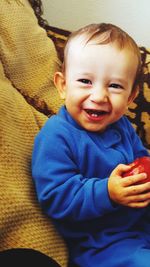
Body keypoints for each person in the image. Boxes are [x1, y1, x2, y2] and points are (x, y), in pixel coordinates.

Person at [32, 23, 150, 267]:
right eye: (85, 81)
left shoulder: (123, 127)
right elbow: (55, 197)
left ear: (131, 96)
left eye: (115, 86)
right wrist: (107, 192)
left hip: (140, 222)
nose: (98, 96)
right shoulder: (56, 135)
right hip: (102, 243)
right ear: (63, 86)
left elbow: (141, 158)